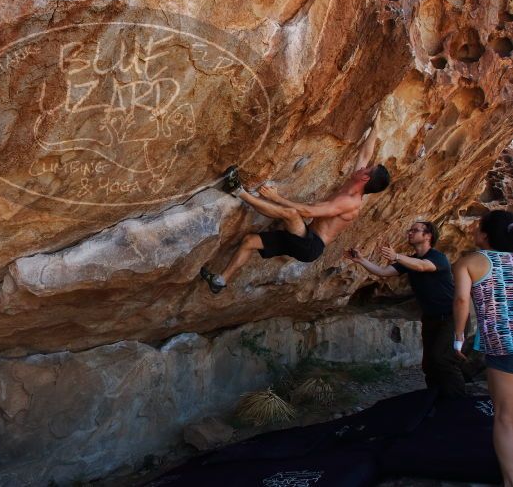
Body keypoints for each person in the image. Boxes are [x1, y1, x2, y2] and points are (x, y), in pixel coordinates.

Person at [199, 132, 390, 294]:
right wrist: (376, 125)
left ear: (365, 177)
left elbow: (308, 211)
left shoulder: (349, 203)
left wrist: (276, 197)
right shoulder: (355, 182)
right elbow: (365, 153)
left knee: (291, 213)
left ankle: (237, 190)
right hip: (304, 237)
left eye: (368, 168)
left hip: (311, 246)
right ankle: (220, 281)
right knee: (250, 241)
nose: (364, 165)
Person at [344, 221, 466, 397]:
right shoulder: (409, 260)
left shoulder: (437, 257)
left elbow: (423, 266)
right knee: (429, 364)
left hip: (450, 317)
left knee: (442, 360)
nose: (410, 233)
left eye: (415, 230)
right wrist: (361, 260)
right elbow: (383, 272)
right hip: (430, 317)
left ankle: (458, 403)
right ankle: (434, 400)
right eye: (410, 230)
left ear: (428, 236)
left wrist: (397, 257)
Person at [452, 210, 513, 487]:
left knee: (505, 416)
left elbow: (462, 300)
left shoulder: (470, 262)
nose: (474, 232)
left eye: (477, 228)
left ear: (486, 235)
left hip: (502, 344)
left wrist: (458, 336)